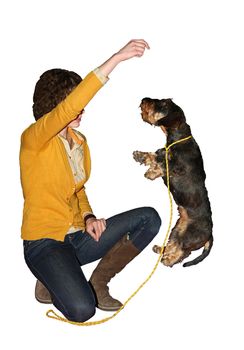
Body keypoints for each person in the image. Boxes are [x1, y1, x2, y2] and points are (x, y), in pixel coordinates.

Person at [20, 39, 162, 322]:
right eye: (74, 104)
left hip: (77, 237)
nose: (81, 110)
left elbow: (78, 189)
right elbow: (71, 105)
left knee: (149, 218)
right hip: (43, 243)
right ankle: (49, 276)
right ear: (56, 105)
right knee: (82, 310)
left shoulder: (79, 142)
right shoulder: (34, 138)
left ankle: (98, 282)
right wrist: (116, 59)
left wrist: (88, 217)